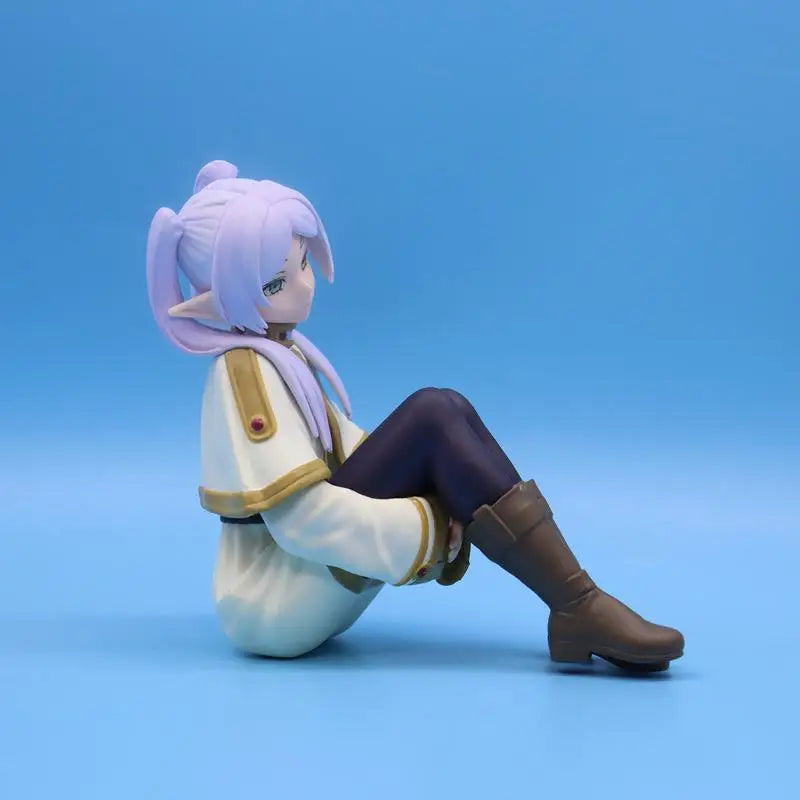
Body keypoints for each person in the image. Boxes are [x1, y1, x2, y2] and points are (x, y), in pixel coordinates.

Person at [146, 159, 684, 671]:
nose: (304, 283)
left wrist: (444, 484)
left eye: (302, 262)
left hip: (304, 588)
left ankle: (578, 604)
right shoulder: (244, 372)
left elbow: (348, 450)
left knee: (446, 409)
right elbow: (299, 522)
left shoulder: (281, 354)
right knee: (433, 414)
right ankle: (577, 605)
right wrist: (426, 522)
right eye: (274, 283)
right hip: (276, 601)